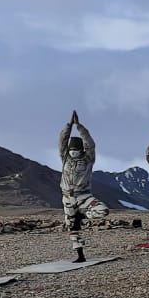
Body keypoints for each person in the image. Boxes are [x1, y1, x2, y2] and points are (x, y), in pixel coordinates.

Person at [60, 111, 109, 262]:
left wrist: (79, 127)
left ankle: (84, 215)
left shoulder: (88, 159)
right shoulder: (65, 158)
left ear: (81, 150)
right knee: (72, 228)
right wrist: (69, 125)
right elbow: (62, 141)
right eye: (71, 149)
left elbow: (90, 144)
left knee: (103, 211)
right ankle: (80, 255)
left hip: (84, 196)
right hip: (68, 197)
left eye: (76, 149)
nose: (73, 151)